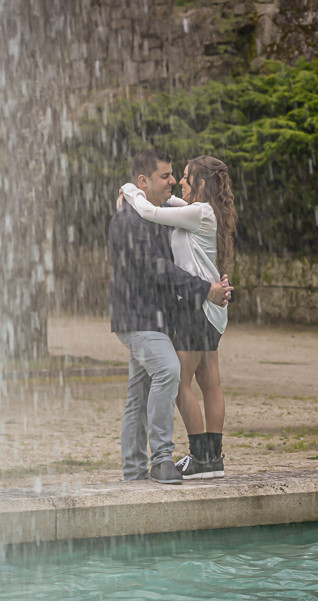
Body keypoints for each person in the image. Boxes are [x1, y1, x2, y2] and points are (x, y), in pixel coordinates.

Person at [109, 149, 233, 485]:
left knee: (140, 395)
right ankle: (165, 459)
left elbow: (185, 255)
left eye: (178, 175)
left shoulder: (165, 212)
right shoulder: (129, 219)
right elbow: (158, 267)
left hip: (166, 317)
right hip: (139, 318)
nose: (175, 181)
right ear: (144, 180)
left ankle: (137, 471)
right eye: (166, 176)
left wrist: (214, 284)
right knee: (170, 371)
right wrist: (206, 288)